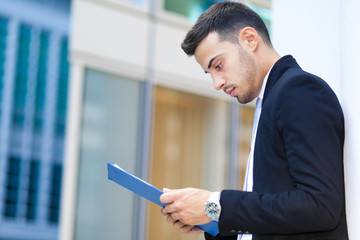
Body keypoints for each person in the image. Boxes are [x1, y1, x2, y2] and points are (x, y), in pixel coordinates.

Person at [159, 2, 348, 240]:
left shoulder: (297, 91)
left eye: (218, 65)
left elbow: (320, 206)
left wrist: (214, 205)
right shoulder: (269, 100)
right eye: (210, 73)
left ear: (249, 39)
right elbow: (276, 215)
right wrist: (212, 220)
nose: (217, 83)